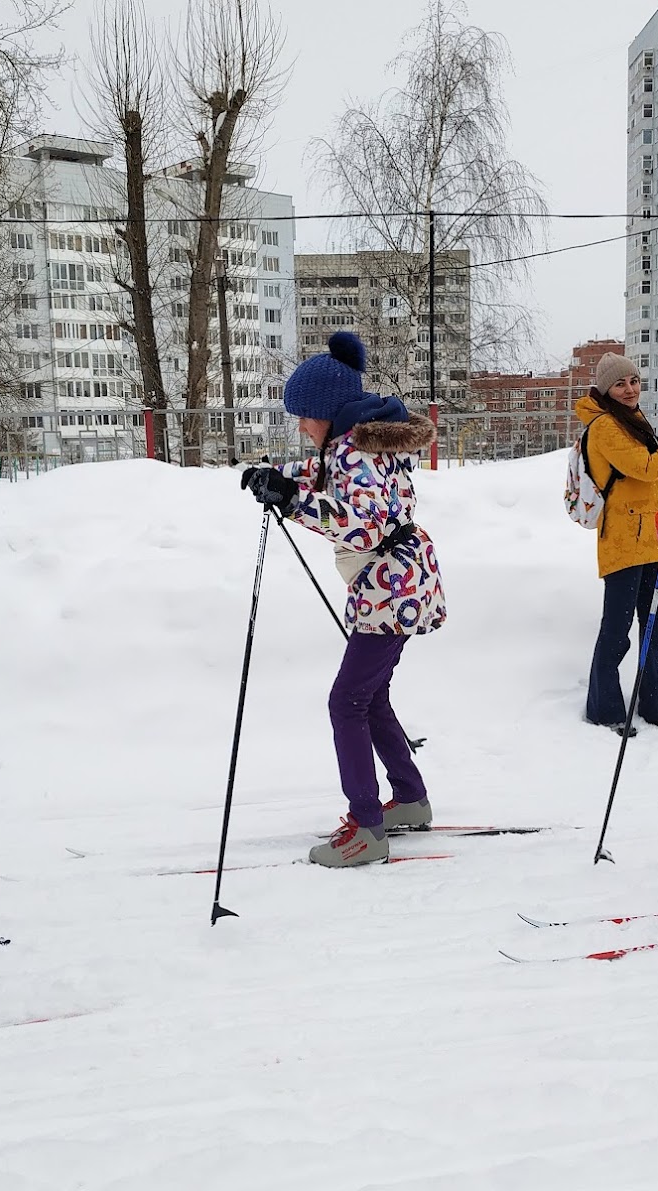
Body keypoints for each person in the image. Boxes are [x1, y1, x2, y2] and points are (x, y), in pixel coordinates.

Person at [241, 331, 445, 867]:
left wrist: (292, 502)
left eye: (305, 415)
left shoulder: (354, 451)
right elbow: (326, 475)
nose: (301, 426)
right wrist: (278, 478)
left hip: (389, 585)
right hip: (399, 583)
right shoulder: (360, 444)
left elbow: (361, 523)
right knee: (370, 698)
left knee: (346, 703)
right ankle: (409, 798)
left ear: (330, 412)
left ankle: (368, 829)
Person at [576, 353, 658, 735]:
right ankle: (605, 710)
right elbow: (646, 467)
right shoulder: (604, 427)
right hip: (621, 541)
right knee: (616, 632)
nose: (630, 389)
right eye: (620, 384)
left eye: (634, 380)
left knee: (656, 629)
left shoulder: (631, 421)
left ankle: (655, 703)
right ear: (605, 390)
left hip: (652, 537)